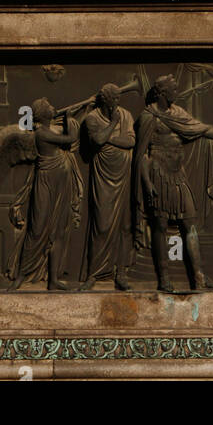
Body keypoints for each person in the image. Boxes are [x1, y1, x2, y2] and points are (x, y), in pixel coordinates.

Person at [133, 73, 213, 292]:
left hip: (178, 174)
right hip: (158, 173)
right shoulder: (148, 117)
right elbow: (141, 155)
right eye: (173, 90)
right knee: (159, 226)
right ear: (162, 93)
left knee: (190, 223)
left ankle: (199, 278)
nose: (177, 93)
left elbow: (202, 129)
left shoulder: (178, 113)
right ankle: (164, 278)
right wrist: (147, 182)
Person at [5, 98, 82, 292]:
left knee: (57, 231)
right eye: (48, 106)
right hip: (47, 183)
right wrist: (71, 120)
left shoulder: (48, 129)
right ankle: (20, 275)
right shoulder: (41, 133)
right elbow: (70, 138)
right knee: (37, 229)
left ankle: (53, 279)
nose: (52, 107)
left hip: (60, 183)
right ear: (42, 114)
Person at [80, 83, 136, 291]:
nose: (118, 103)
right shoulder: (92, 118)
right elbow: (97, 140)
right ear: (105, 100)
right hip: (103, 177)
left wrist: (108, 139)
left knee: (124, 226)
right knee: (101, 225)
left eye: (119, 99)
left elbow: (130, 141)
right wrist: (112, 125)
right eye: (115, 99)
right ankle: (94, 274)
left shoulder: (127, 115)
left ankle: (120, 273)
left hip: (124, 176)